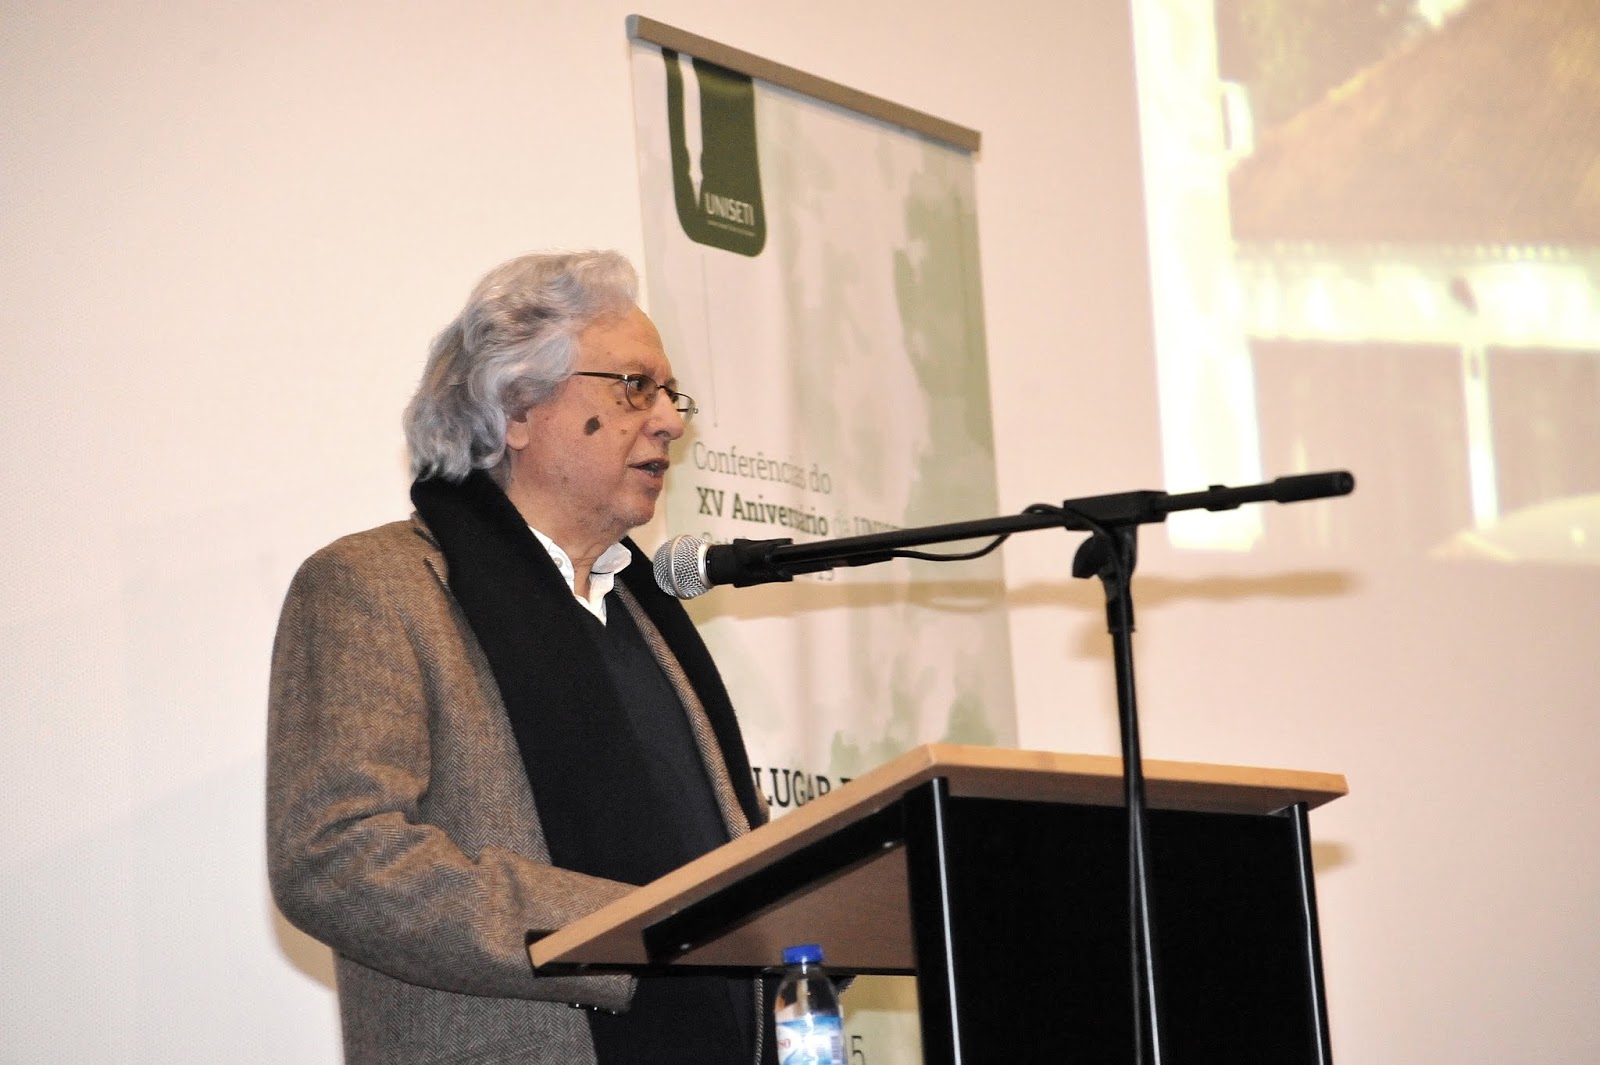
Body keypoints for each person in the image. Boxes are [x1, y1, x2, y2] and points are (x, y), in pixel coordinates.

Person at [267, 251, 772, 1065]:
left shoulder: (649, 613)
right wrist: (627, 929)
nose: (670, 422)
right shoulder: (376, 587)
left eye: (670, 395)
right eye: (634, 387)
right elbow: (335, 856)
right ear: (517, 410)